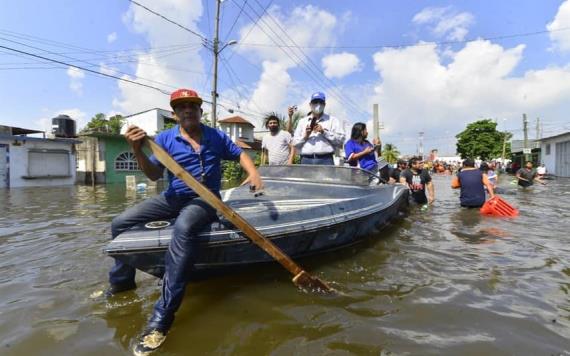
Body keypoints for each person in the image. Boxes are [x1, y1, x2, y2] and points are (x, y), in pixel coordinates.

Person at [106, 88, 263, 354]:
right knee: (120, 223)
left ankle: (162, 318)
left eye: (192, 105)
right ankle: (121, 283)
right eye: (181, 107)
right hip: (173, 196)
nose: (187, 110)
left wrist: (254, 173)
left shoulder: (215, 136)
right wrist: (136, 150)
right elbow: (154, 175)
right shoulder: (165, 139)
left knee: (184, 228)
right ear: (174, 113)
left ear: (200, 111)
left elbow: (239, 154)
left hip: (206, 201)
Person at [292, 92, 345, 165]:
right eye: (315, 102)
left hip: (326, 160)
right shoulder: (302, 122)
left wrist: (324, 132)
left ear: (324, 104)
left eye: (321, 102)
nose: (318, 104)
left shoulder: (332, 120)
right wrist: (306, 136)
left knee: (327, 177)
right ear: (310, 104)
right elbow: (294, 143)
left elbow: (340, 140)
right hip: (306, 159)